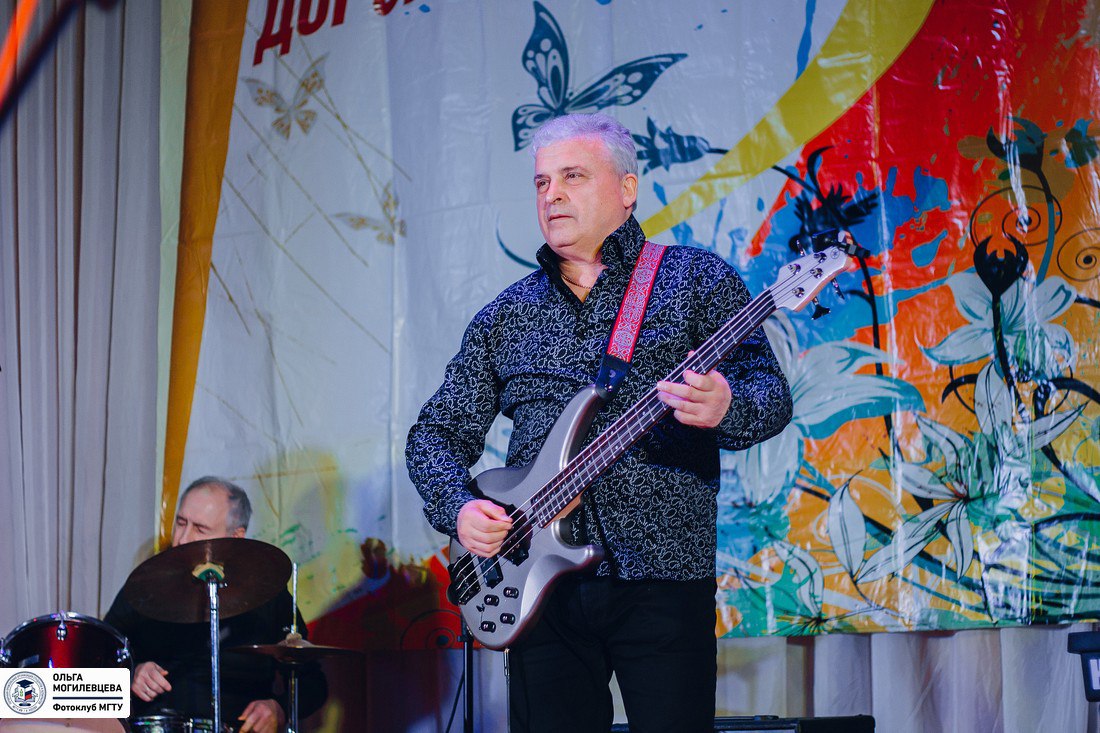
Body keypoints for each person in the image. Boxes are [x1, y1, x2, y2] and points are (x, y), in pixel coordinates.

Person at [406, 113, 793, 732]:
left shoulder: (695, 280)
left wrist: (728, 407)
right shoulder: (506, 314)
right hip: (535, 588)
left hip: (664, 575)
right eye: (541, 182)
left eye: (573, 176)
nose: (551, 195)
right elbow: (435, 435)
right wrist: (459, 508)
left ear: (627, 188)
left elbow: (769, 394)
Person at [104, 477, 327, 733]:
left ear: (236, 537)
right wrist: (131, 674)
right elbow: (95, 658)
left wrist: (279, 709)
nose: (182, 539)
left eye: (200, 529)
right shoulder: (146, 585)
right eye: (181, 523)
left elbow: (312, 683)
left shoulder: (269, 596)